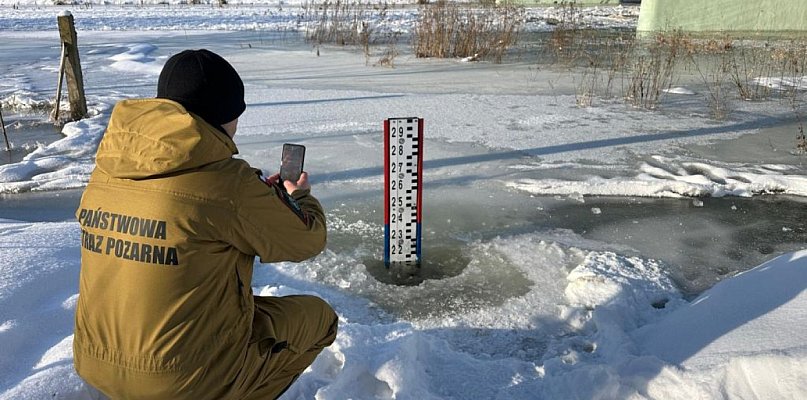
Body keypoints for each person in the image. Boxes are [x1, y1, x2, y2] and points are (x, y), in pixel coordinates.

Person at [73, 49, 338, 400]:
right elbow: (307, 240)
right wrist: (298, 197)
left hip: (95, 360)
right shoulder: (228, 182)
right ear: (222, 115)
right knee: (320, 320)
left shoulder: (107, 167)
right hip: (179, 381)